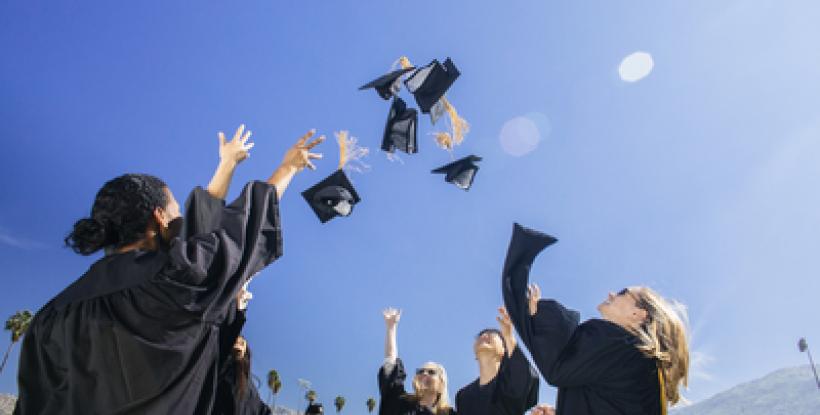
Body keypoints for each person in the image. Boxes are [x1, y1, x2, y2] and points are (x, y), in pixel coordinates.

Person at [14, 126, 324, 414]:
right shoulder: (177, 280)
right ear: (159, 218)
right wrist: (289, 167)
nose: (182, 224)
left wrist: (226, 166)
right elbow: (243, 224)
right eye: (177, 213)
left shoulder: (49, 318)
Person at [501, 223, 690, 415]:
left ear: (639, 314)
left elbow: (558, 368)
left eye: (623, 293)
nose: (611, 294)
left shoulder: (620, 343)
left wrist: (541, 315)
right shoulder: (639, 363)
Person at [454, 307, 538, 415]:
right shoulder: (463, 396)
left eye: (491, 334)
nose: (483, 336)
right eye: (480, 336)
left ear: (504, 350)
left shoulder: (510, 382)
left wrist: (508, 336)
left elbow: (524, 376)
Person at [378, 308, 456, 415]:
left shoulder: (449, 413)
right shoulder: (401, 404)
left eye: (431, 372)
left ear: (441, 383)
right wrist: (391, 328)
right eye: (420, 371)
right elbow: (390, 365)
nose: (424, 373)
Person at [215, 283, 271, 415]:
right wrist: (239, 309)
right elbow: (228, 333)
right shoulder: (220, 367)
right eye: (235, 341)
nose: (238, 344)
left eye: (241, 342)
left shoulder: (249, 388)